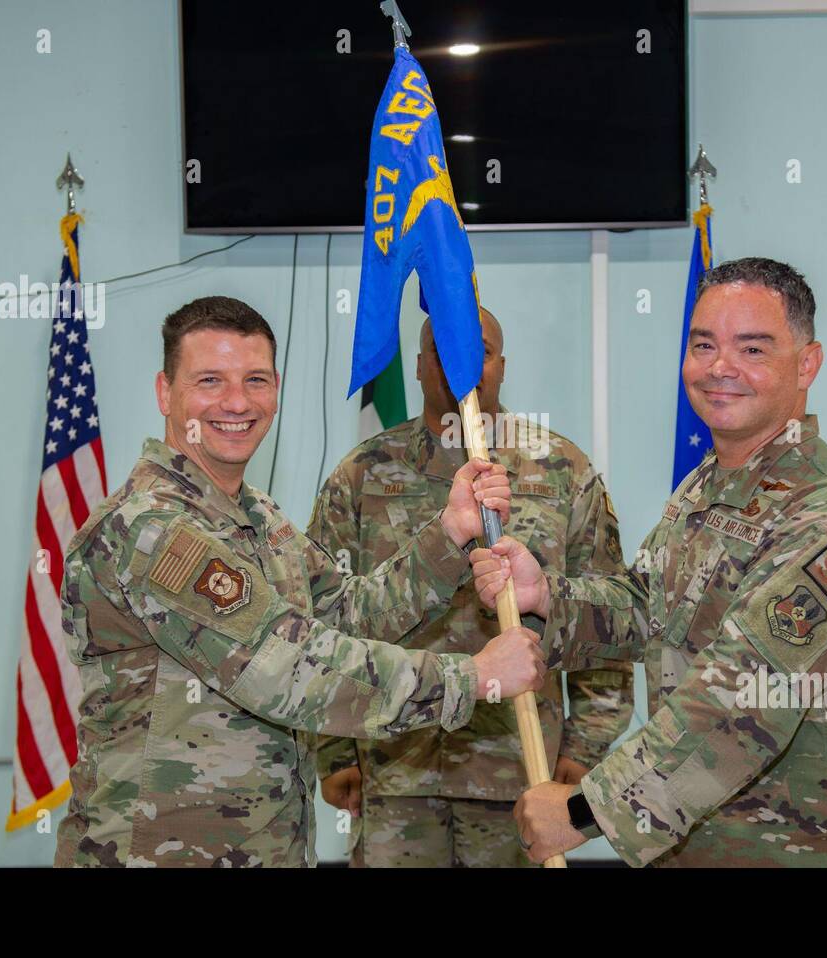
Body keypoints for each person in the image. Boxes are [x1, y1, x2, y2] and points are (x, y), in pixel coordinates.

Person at [53, 296, 545, 867]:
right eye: (210, 380)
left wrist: (450, 533)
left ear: (277, 388)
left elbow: (346, 613)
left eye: (255, 379)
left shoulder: (258, 517)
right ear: (166, 393)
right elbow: (290, 667)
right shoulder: (153, 530)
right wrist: (475, 677)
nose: (237, 402)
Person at [471, 259, 827, 867]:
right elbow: (649, 608)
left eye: (753, 348)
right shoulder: (708, 489)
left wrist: (586, 811)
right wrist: (548, 596)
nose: (720, 367)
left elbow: (742, 698)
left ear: (807, 364)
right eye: (703, 344)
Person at [310, 307, 633, 867]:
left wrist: (586, 750)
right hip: (394, 768)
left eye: (479, 350)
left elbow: (605, 618)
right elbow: (319, 622)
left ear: (501, 365)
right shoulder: (362, 474)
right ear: (417, 366)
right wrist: (334, 750)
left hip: (521, 772)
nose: (462, 364)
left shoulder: (561, 469)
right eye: (443, 350)